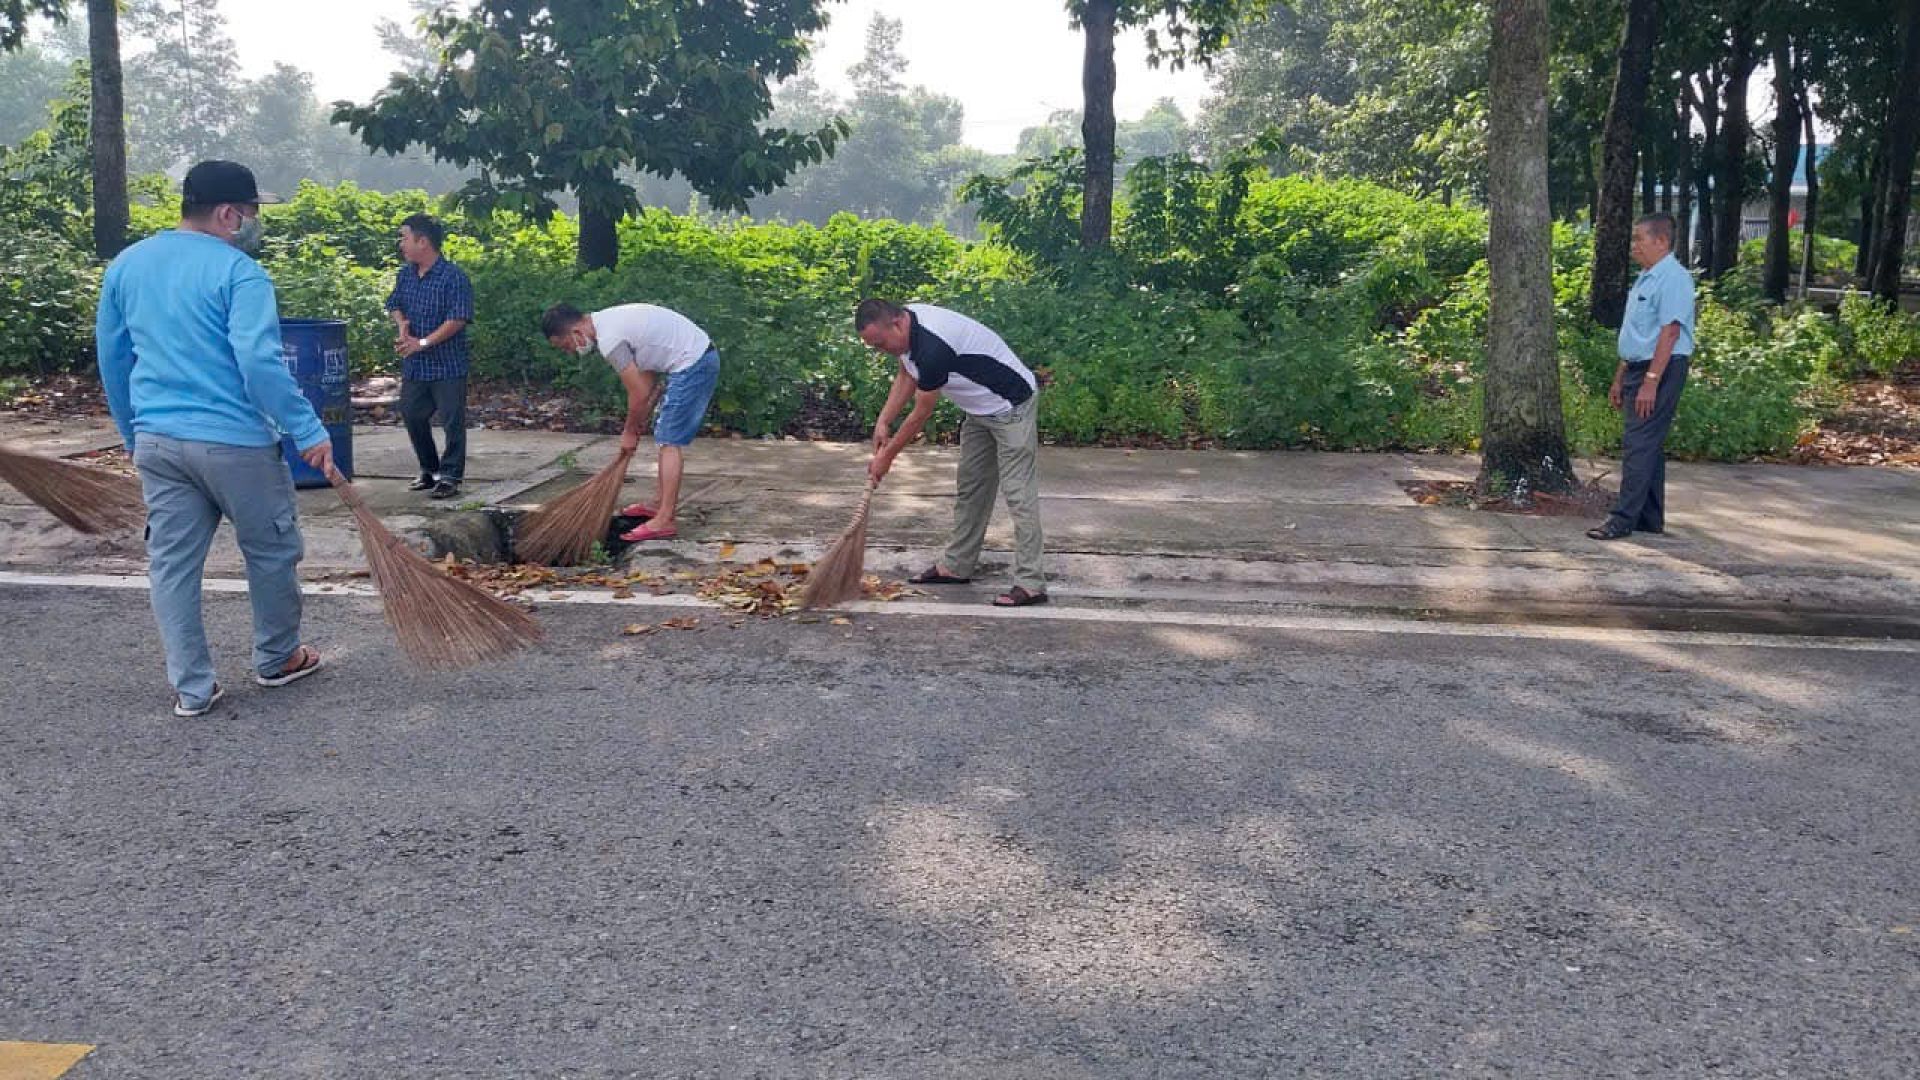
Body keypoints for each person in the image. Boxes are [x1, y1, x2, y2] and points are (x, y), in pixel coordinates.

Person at [96, 160, 332, 717]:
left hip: (159, 440)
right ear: (228, 214)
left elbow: (113, 357)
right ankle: (277, 659)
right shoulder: (240, 273)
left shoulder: (126, 266)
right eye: (250, 213)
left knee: (173, 564)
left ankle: (192, 689)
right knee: (271, 550)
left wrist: (131, 431)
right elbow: (258, 362)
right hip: (236, 445)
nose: (253, 223)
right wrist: (306, 428)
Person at [855, 298, 1048, 607]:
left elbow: (921, 413)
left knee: (1018, 495)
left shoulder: (933, 347)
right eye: (873, 347)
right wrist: (883, 421)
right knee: (971, 489)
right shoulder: (906, 331)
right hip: (978, 410)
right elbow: (906, 374)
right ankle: (956, 566)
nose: (881, 350)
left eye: (880, 343)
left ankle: (1031, 583)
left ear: (897, 324)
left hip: (1011, 406)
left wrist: (886, 457)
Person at [539, 302, 721, 542]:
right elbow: (644, 382)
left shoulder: (610, 339)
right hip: (693, 358)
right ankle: (659, 505)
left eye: (565, 346)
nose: (570, 352)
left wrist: (629, 432)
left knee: (669, 440)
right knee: (664, 436)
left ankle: (664, 519)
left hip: (694, 363)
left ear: (575, 333)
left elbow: (637, 393)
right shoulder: (610, 323)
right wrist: (639, 419)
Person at [1588, 213, 1696, 541]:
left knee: (1638, 444)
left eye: (1639, 239)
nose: (1633, 246)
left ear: (1661, 241)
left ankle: (1622, 518)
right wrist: (1621, 377)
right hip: (1639, 366)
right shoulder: (1646, 277)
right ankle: (1649, 516)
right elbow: (1638, 333)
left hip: (1661, 368)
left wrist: (1651, 381)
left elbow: (1670, 333)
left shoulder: (1673, 278)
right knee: (1648, 444)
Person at [385, 213, 475, 500]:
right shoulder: (405, 274)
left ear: (423, 241)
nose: (401, 243)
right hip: (416, 364)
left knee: (452, 421)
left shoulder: (453, 277)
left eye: (404, 237)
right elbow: (394, 303)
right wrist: (402, 325)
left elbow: (458, 319)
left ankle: (450, 476)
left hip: (448, 364)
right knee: (411, 413)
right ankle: (429, 470)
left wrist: (422, 342)